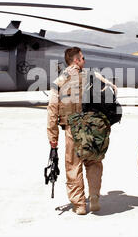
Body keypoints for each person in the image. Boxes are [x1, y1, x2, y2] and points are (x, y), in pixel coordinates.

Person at [47, 47, 116, 215]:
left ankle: (79, 205)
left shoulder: (59, 81)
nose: (85, 61)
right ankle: (94, 196)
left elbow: (52, 109)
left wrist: (52, 137)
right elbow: (112, 91)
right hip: (93, 127)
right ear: (76, 60)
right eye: (83, 58)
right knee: (93, 161)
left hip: (72, 128)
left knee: (73, 165)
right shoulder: (93, 76)